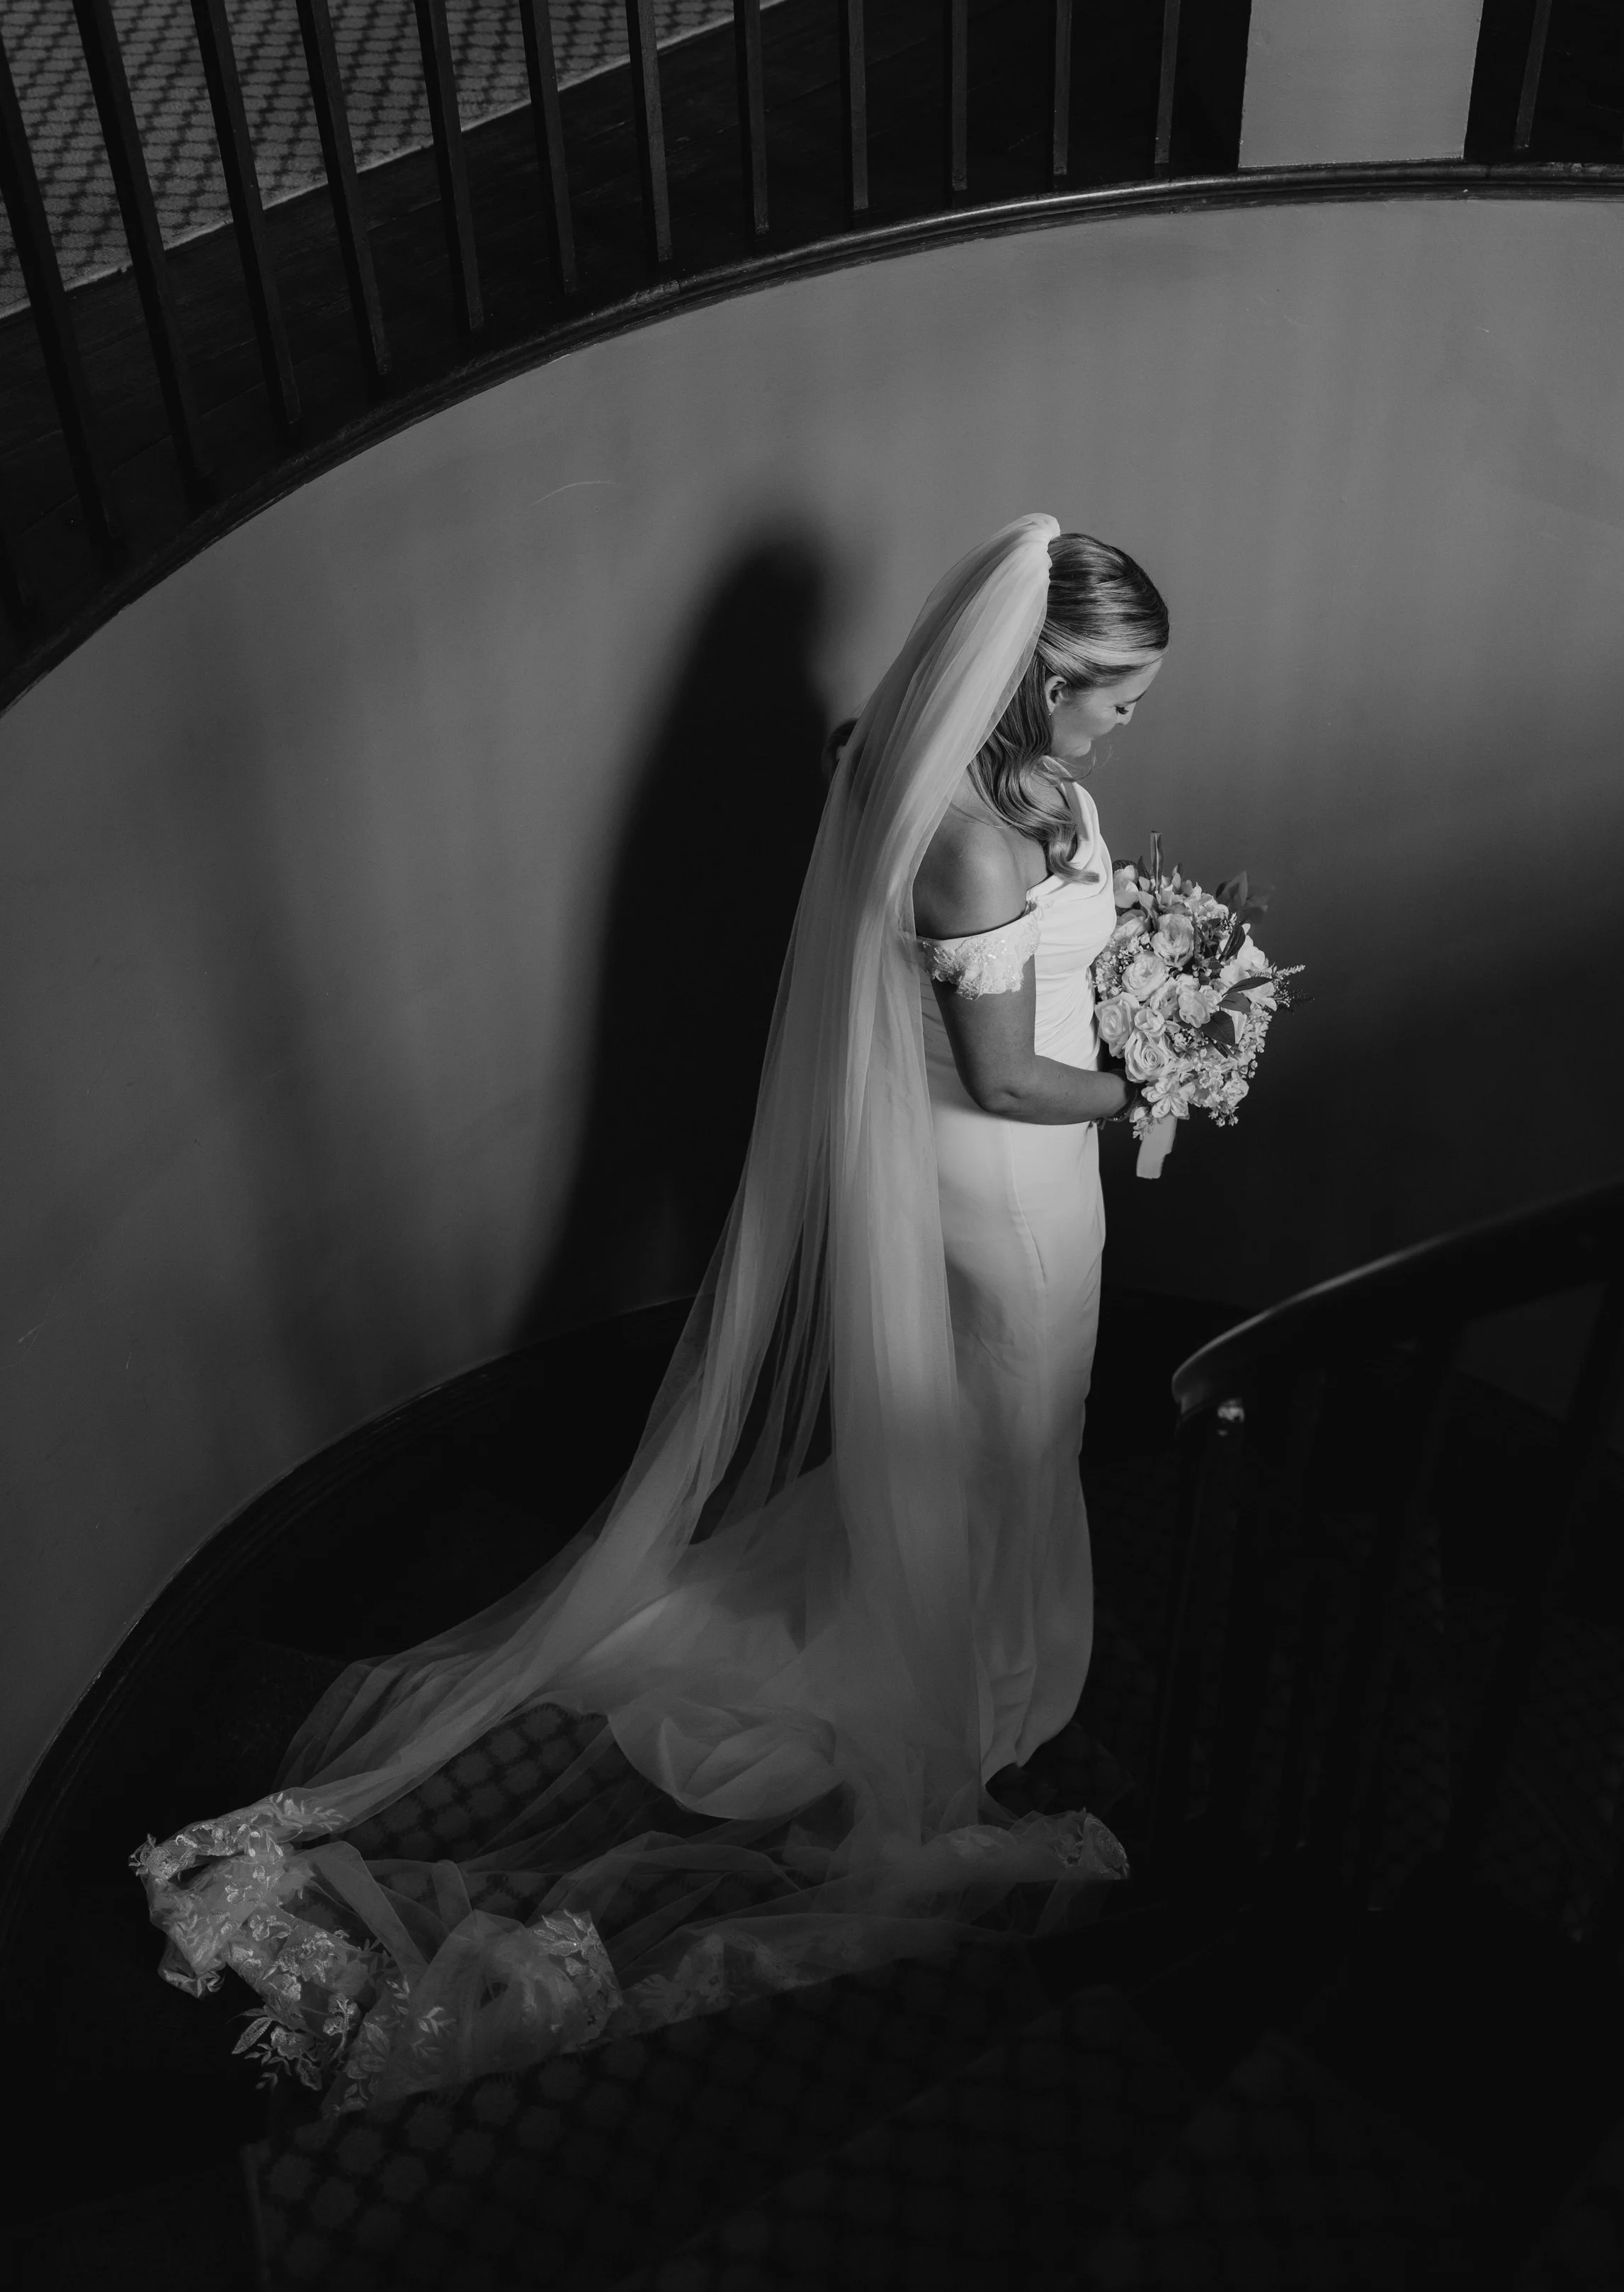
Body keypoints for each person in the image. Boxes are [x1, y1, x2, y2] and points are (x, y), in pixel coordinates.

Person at [134, 514, 1169, 2112]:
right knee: (1011, 1408)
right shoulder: (968, 836)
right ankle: (965, 1666)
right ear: (1031, 679)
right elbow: (1003, 1071)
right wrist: (1160, 1077)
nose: (1121, 728)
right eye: (1107, 698)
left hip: (1034, 1172)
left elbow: (1048, 974)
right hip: (1006, 1182)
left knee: (1005, 1419)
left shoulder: (999, 783)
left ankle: (989, 1624)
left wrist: (1165, 970)